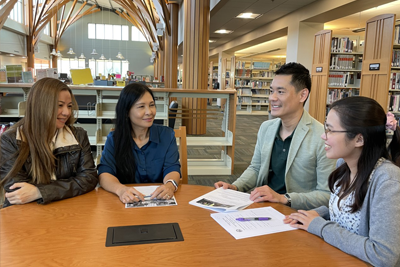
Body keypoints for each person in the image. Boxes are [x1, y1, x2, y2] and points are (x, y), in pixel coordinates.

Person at [285, 96, 400, 267]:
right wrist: (317, 214)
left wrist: (321, 226)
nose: (323, 136)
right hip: (336, 257)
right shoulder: (343, 165)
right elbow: (347, 214)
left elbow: (383, 255)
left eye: (331, 130)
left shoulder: (388, 181)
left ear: (359, 139)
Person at [215, 62, 336, 210]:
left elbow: (327, 194)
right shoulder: (267, 128)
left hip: (297, 214)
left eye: (280, 92)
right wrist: (235, 187)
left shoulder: (322, 137)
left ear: (302, 95)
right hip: (263, 206)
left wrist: (283, 199)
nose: (272, 97)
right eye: (271, 90)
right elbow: (256, 168)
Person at [0, 78, 99, 208]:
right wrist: (68, 186)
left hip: (67, 208)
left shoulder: (78, 135)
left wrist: (39, 191)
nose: (67, 112)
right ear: (40, 105)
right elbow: (18, 192)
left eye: (69, 106)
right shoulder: (10, 140)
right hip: (26, 213)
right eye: (59, 105)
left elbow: (89, 178)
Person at [97, 83, 181, 204]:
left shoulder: (167, 135)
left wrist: (170, 185)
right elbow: (105, 173)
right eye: (141, 106)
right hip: (125, 204)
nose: (149, 112)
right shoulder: (114, 139)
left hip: (158, 203)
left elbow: (172, 167)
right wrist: (120, 190)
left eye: (152, 105)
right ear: (126, 111)